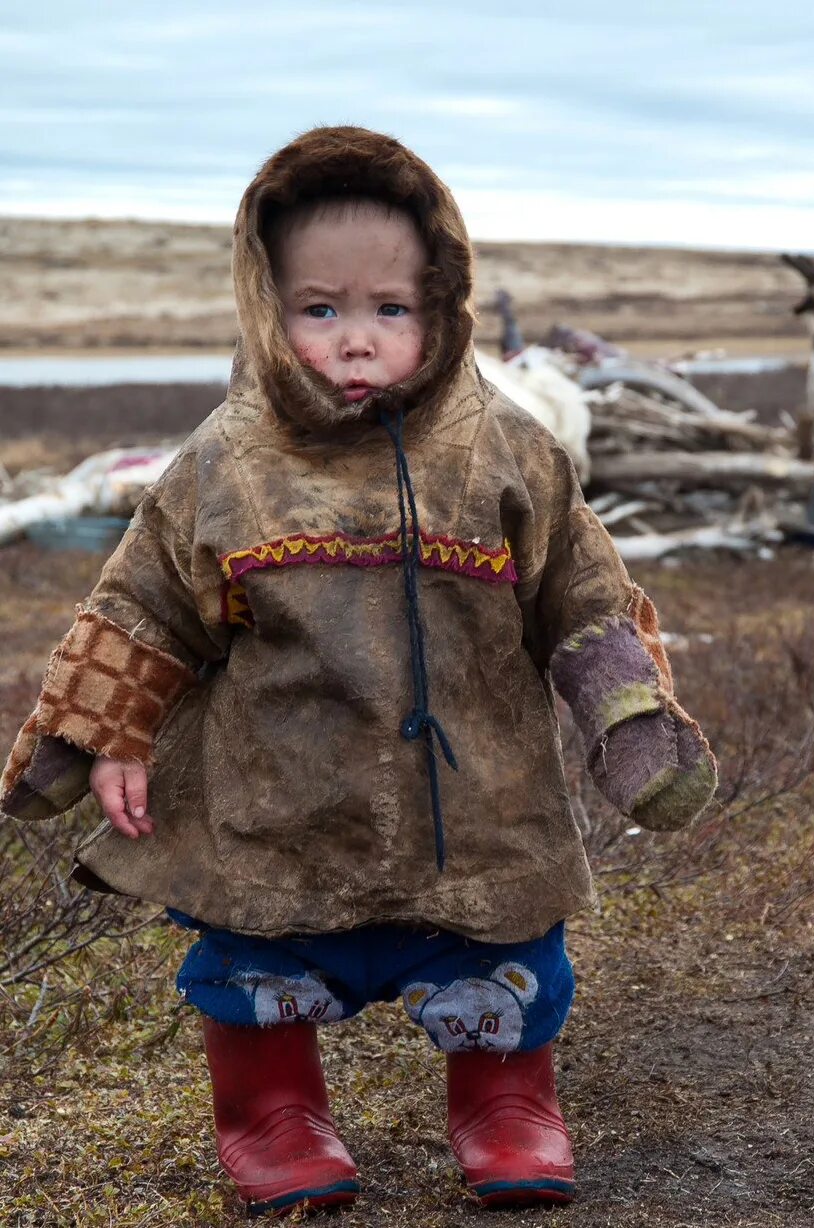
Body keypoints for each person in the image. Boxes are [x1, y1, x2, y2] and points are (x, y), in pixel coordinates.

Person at [0, 125, 717, 1218]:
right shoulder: (224, 460)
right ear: (264, 307)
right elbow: (143, 603)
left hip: (480, 795)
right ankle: (273, 1112)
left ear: (443, 304)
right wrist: (107, 736)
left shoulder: (508, 451)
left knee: (508, 953)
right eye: (318, 308)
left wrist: (628, 719)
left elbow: (583, 598)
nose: (355, 339)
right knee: (253, 963)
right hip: (276, 798)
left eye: (391, 308)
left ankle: (505, 1103)